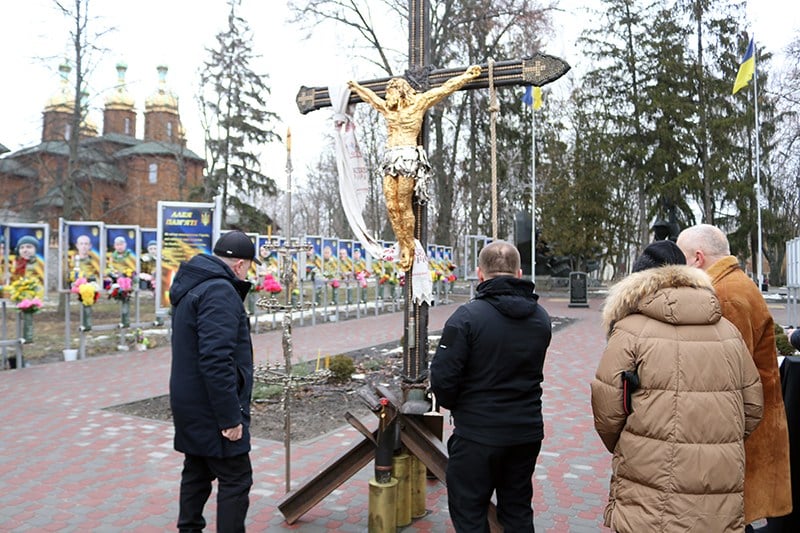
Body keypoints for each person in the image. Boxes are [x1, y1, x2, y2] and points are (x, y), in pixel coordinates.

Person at [591, 239, 764, 532]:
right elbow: (753, 406)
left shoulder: (629, 331)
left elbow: (607, 413)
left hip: (648, 485)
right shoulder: (728, 332)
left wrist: (635, 442)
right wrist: (718, 442)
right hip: (717, 490)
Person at [429, 240, 551, 532]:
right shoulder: (540, 318)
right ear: (519, 273)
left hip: (477, 435)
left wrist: (463, 406)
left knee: (470, 512)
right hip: (526, 432)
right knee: (518, 509)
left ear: (479, 274)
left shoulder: (467, 318)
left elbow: (443, 381)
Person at [677, 224, 792, 527]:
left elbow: (724, 380)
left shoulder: (725, 295)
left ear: (697, 258)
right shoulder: (733, 284)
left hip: (739, 435)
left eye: (681, 258)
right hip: (748, 429)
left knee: (727, 519)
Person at [168, 230, 262, 533]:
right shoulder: (220, 292)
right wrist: (229, 417)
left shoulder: (192, 286)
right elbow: (216, 358)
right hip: (212, 407)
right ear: (240, 265)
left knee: (196, 471)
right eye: (249, 266)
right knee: (236, 478)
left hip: (190, 401)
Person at [348, 64, 481, 272]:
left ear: (399, 91)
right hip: (390, 158)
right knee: (391, 205)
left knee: (403, 203)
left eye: (390, 92)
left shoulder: (419, 103)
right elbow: (371, 98)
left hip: (408, 156)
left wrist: (466, 76)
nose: (386, 96)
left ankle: (408, 247)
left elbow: (445, 88)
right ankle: (402, 243)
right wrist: (356, 87)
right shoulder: (387, 109)